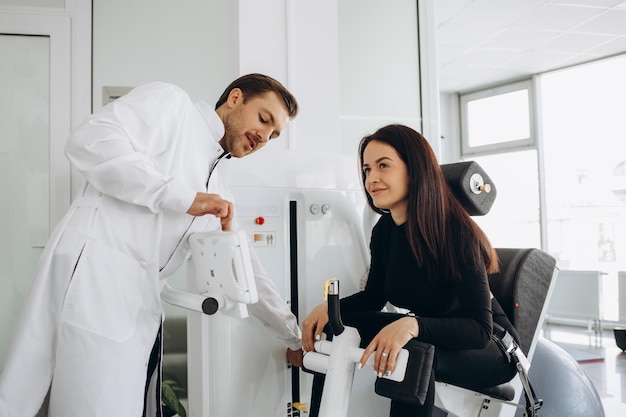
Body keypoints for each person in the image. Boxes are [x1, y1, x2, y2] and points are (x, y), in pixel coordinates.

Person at [0, 73, 303, 417]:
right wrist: (181, 197)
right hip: (93, 284)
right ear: (235, 98)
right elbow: (89, 141)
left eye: (274, 134)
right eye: (264, 119)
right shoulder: (172, 106)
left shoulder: (217, 188)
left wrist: (294, 336)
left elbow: (250, 273)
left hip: (134, 309)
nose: (264, 136)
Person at [300, 124, 519, 417]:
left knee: (409, 354)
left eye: (383, 166)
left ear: (414, 171)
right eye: (366, 169)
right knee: (335, 326)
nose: (371, 178)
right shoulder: (385, 232)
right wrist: (330, 310)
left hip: (491, 349)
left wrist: (413, 325)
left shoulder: (456, 233)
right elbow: (373, 298)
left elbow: (479, 330)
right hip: (430, 336)